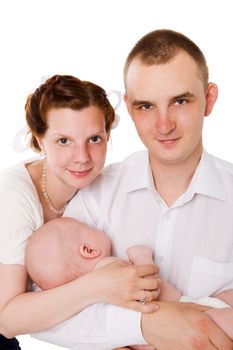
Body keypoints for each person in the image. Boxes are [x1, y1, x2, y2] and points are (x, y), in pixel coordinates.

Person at [32, 29, 233, 350]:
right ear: (128, 106)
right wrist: (145, 325)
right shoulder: (96, 195)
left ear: (208, 100)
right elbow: (46, 312)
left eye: (180, 101)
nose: (163, 124)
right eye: (146, 106)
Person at [0, 75, 160, 349]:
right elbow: (6, 320)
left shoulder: (100, 188)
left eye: (94, 139)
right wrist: (99, 285)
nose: (82, 157)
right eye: (64, 141)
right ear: (39, 139)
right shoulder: (14, 197)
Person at [27, 216, 232, 349]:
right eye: (87, 227)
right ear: (88, 250)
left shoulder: (84, 298)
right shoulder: (108, 270)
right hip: (190, 314)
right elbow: (147, 285)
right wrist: (142, 257)